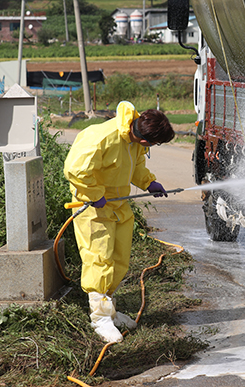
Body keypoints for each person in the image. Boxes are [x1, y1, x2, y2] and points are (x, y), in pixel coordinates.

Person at [63, 101, 174, 343]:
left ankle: (108, 308)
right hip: (93, 208)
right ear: (145, 139)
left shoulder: (134, 142)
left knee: (119, 259)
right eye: (154, 144)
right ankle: (99, 318)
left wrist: (148, 182)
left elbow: (135, 166)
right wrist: (94, 194)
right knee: (99, 259)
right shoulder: (101, 137)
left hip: (118, 206)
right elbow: (75, 170)